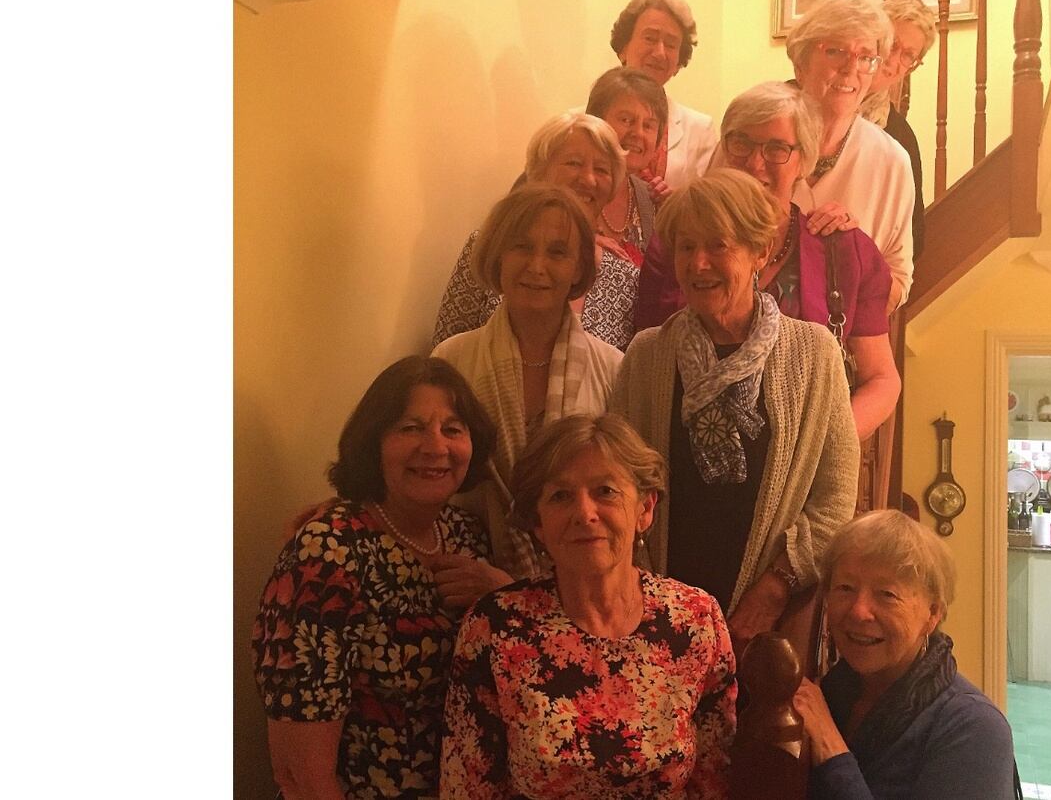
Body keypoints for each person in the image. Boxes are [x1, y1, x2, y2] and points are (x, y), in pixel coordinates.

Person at [610, 169, 859, 658]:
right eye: (686, 247)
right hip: (657, 615)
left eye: (719, 246)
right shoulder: (647, 355)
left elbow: (834, 498)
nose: (699, 264)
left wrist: (775, 587)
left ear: (759, 254)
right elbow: (620, 482)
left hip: (767, 625)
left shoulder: (812, 353)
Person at [441, 414, 736, 798]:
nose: (584, 512)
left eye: (606, 491)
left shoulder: (696, 620)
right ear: (539, 524)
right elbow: (468, 786)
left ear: (645, 509)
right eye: (560, 496)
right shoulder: (495, 628)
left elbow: (714, 778)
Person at [252, 356, 505, 799]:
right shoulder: (325, 553)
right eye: (410, 428)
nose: (434, 446)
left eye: (452, 428)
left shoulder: (467, 536)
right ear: (374, 442)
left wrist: (503, 592)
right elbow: (301, 774)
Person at [634, 81, 900, 442]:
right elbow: (648, 366)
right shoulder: (674, 245)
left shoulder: (844, 251)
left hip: (805, 464)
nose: (754, 163)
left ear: (803, 161)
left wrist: (826, 447)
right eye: (741, 143)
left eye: (776, 148)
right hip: (685, 451)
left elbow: (881, 379)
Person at [432, 184, 623, 580]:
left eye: (557, 252)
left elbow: (619, 499)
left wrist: (515, 592)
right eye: (521, 247)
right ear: (497, 256)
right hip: (462, 575)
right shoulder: (452, 360)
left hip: (579, 586)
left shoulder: (615, 369)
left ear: (578, 268)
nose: (537, 266)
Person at [792, 510, 1021, 799]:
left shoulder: (974, 728)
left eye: (887, 594)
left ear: (933, 613)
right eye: (845, 588)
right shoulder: (832, 691)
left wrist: (830, 747)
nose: (858, 611)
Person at [431, 113, 637, 350]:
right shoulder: (491, 245)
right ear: (539, 171)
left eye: (602, 169)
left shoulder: (626, 278)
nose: (589, 179)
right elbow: (444, 351)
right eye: (574, 163)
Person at [787, 0, 915, 314]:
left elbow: (899, 282)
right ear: (801, 65)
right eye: (836, 51)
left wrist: (854, 253)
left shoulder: (892, 162)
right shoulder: (752, 136)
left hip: (839, 351)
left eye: (866, 57)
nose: (851, 69)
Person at [610, 0, 717, 191]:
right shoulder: (584, 120)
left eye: (670, 44)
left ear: (679, 61)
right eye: (650, 38)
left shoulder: (700, 130)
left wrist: (676, 205)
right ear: (623, 47)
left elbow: (708, 209)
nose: (660, 52)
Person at [862, 0, 938, 263]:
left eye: (909, 56)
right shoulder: (797, 99)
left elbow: (913, 234)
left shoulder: (901, 137)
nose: (893, 61)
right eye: (891, 43)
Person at [585, 66, 669, 264]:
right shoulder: (557, 179)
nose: (638, 133)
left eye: (648, 125)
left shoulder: (650, 201)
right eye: (626, 120)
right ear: (596, 120)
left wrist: (671, 218)